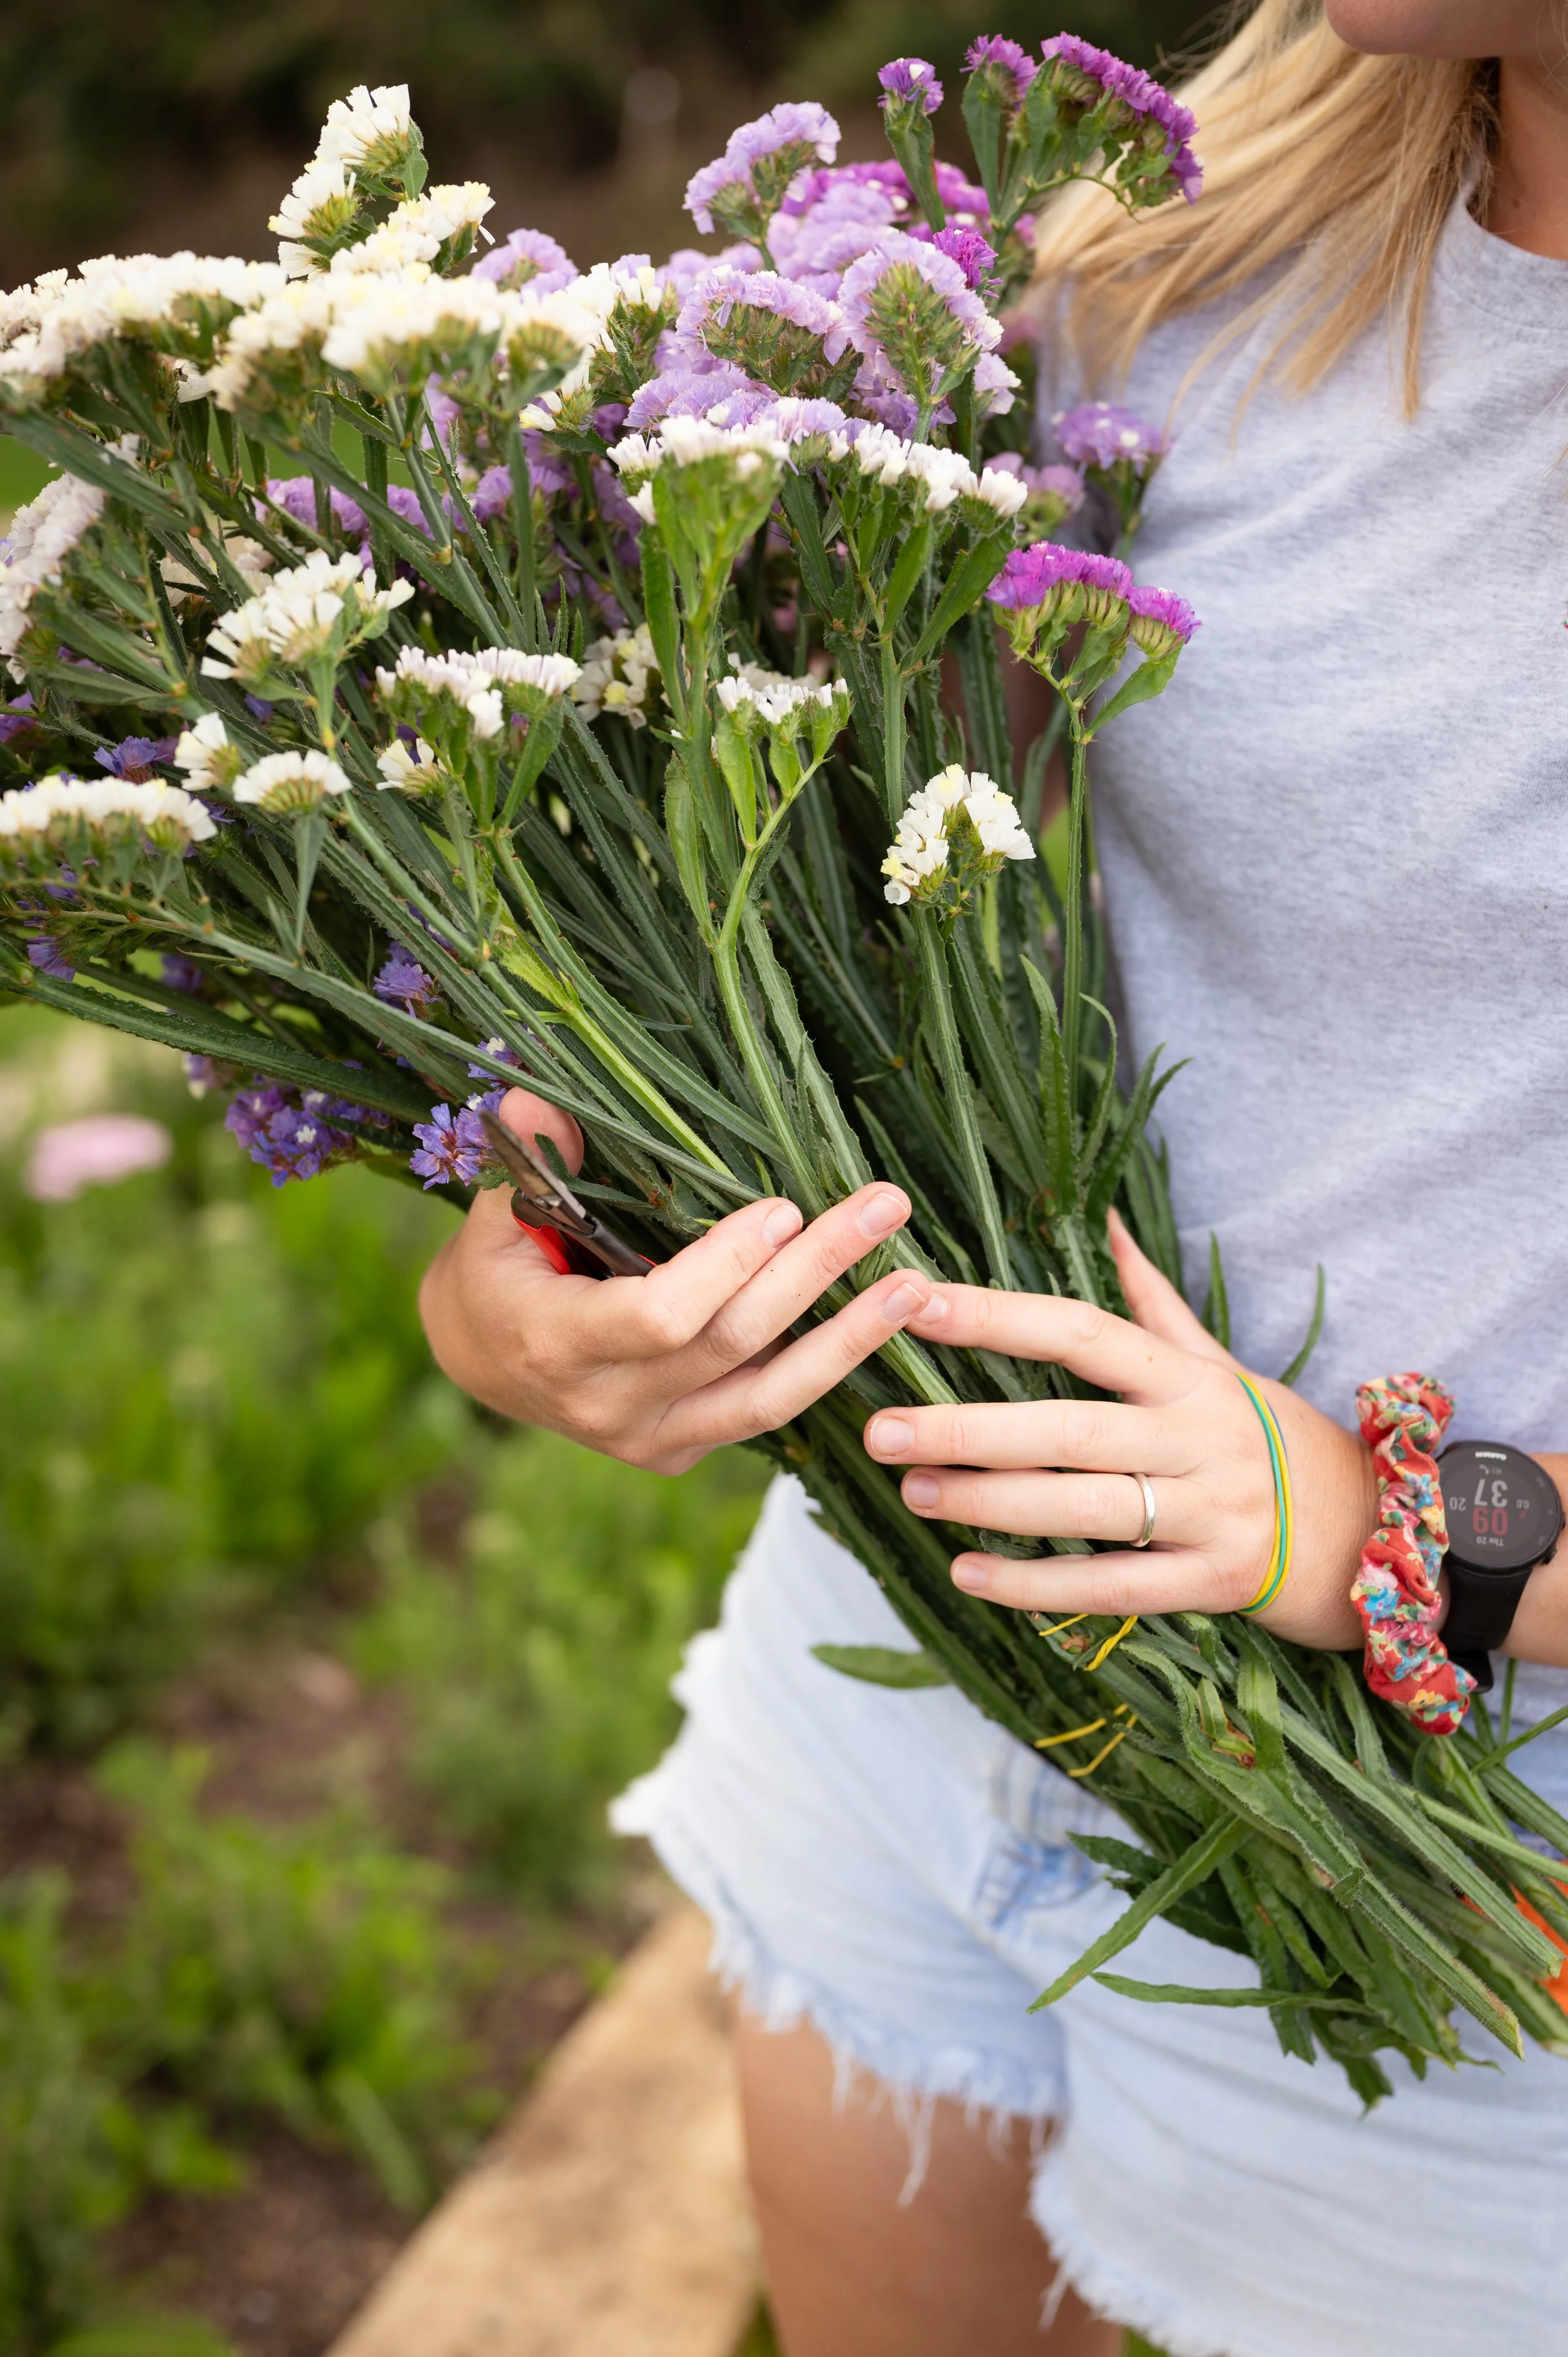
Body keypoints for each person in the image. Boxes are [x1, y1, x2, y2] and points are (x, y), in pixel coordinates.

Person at [419, 4, 1568, 2349]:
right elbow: (822, 881)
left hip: (1491, 1926)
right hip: (913, 1719)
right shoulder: (1167, 277)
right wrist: (528, 1266)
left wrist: (1369, 1532)